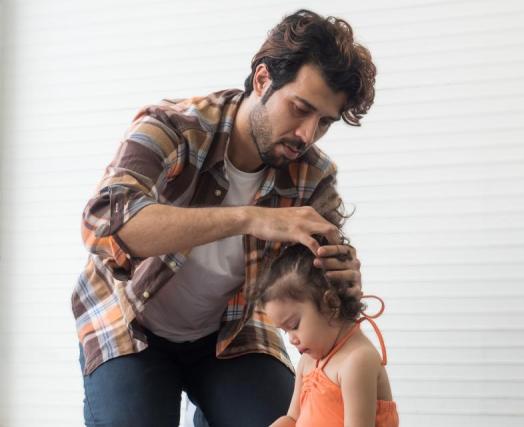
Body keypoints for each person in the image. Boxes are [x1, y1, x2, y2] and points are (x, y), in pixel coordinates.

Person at [71, 9, 376, 427]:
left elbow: (312, 283)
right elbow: (105, 224)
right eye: (300, 108)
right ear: (263, 79)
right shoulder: (171, 126)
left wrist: (339, 276)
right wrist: (250, 218)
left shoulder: (314, 175)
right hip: (130, 324)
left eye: (324, 122)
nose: (307, 134)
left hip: (233, 331)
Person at [254, 241, 399, 427]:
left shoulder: (357, 360)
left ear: (331, 303)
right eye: (285, 331)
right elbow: (292, 418)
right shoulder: (308, 361)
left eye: (294, 325)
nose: (291, 339)